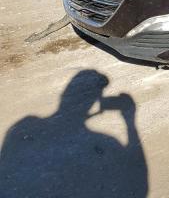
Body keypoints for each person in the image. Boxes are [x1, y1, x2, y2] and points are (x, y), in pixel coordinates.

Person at [0, 70, 147, 198]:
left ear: (64, 95)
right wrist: (130, 122)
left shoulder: (24, 126)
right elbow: (139, 185)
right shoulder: (108, 142)